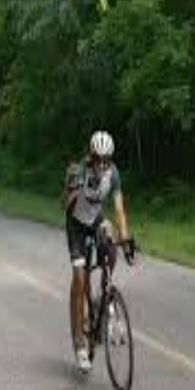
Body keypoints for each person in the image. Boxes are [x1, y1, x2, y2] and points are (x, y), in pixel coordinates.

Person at [62, 131, 133, 373]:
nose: (102, 164)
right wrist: (72, 190)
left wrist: (126, 238)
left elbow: (119, 209)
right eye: (98, 159)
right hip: (76, 225)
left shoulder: (113, 175)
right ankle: (80, 344)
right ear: (91, 157)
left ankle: (103, 295)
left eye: (107, 160)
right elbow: (64, 203)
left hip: (95, 220)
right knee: (80, 277)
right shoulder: (79, 170)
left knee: (111, 242)